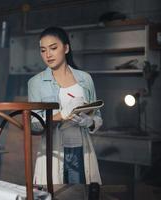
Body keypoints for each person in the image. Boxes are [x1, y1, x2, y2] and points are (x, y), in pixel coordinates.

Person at [28, 26, 103, 185]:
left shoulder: (85, 79)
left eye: (53, 48)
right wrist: (61, 115)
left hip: (81, 150)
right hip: (54, 151)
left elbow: (97, 117)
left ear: (66, 48)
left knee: (80, 194)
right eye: (43, 50)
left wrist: (89, 122)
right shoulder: (36, 83)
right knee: (55, 194)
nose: (48, 54)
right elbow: (33, 125)